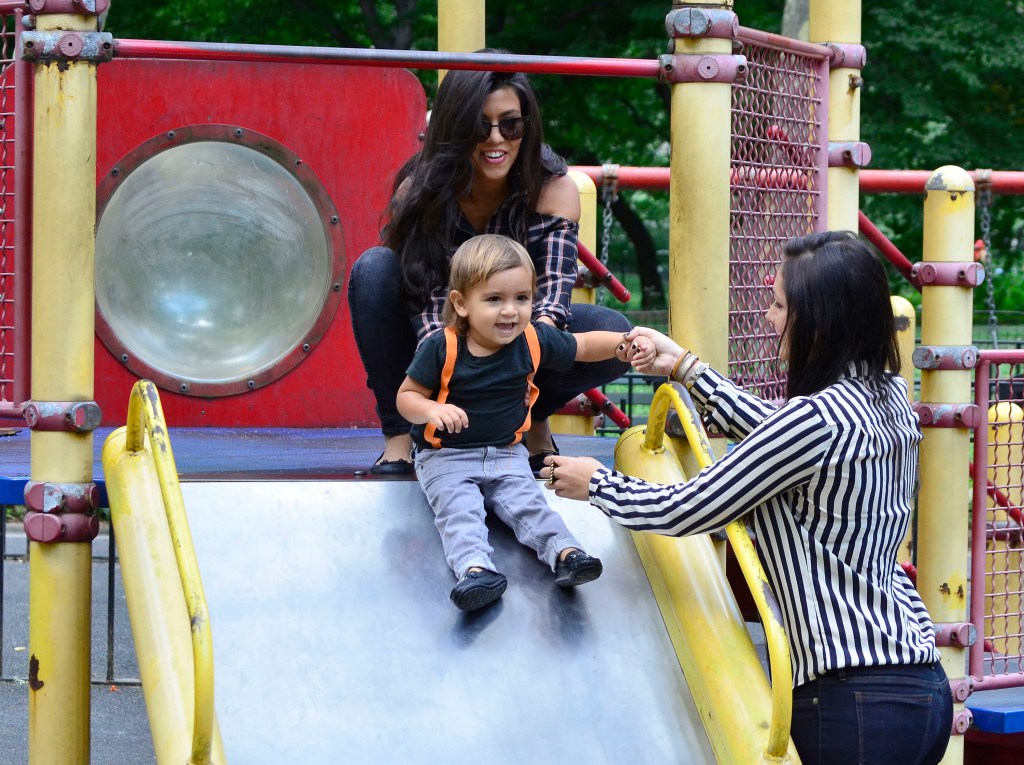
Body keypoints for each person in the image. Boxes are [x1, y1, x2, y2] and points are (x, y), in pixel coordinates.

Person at [541, 231, 953, 765]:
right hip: (923, 688)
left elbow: (691, 505)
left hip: (851, 697)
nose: (769, 317)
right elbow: (779, 441)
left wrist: (596, 483)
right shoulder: (891, 397)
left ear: (820, 324)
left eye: (780, 305)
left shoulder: (816, 420)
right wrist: (686, 368)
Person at [348, 57, 630, 475]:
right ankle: (399, 439)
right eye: (481, 126)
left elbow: (552, 301)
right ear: (455, 128)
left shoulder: (552, 190)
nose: (496, 139)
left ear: (526, 126)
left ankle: (531, 419)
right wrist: (455, 367)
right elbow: (422, 293)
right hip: (438, 354)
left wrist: (510, 361)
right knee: (373, 270)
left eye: (510, 125)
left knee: (611, 328)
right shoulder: (422, 190)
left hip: (518, 344)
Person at [396, 234, 654, 611]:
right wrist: (432, 411)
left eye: (522, 299)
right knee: (459, 510)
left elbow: (581, 346)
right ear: (461, 304)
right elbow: (406, 397)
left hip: (505, 452)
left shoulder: (531, 338)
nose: (510, 311)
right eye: (494, 299)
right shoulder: (444, 346)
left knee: (530, 505)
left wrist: (623, 343)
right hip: (445, 456)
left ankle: (567, 555)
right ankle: (475, 570)